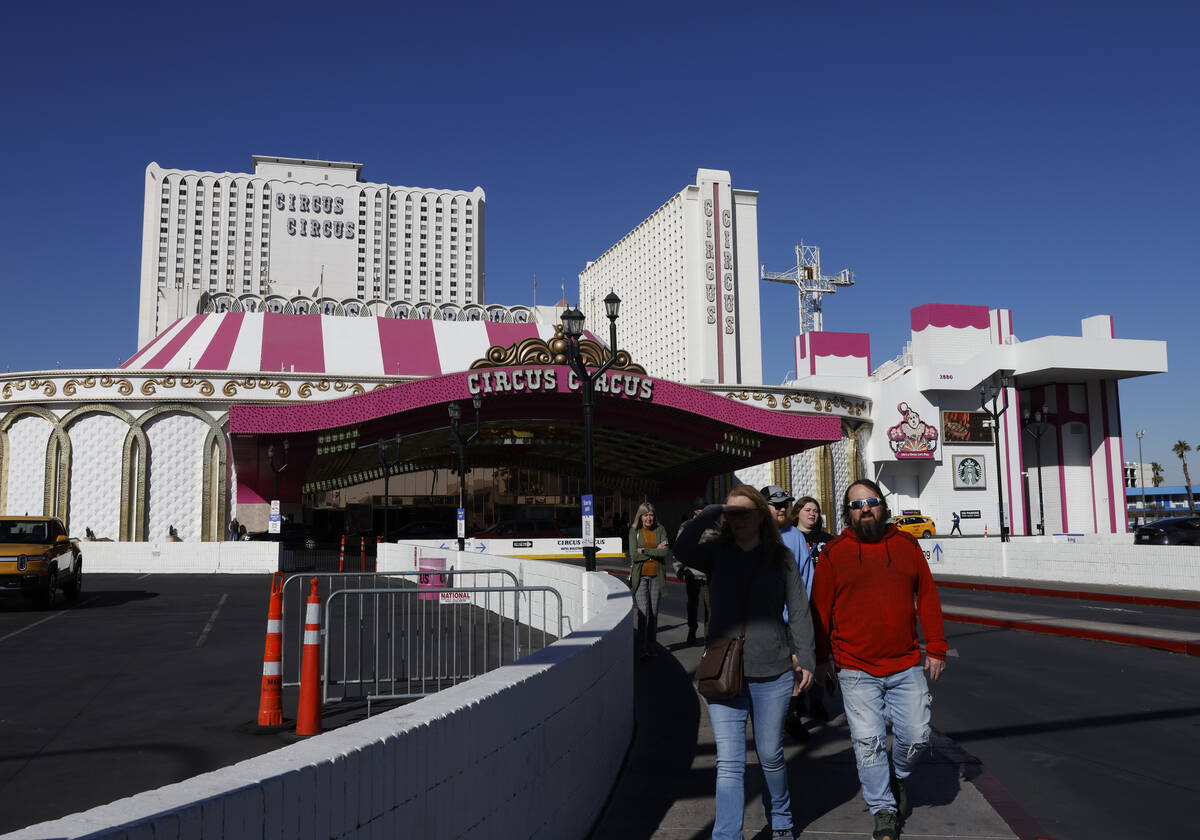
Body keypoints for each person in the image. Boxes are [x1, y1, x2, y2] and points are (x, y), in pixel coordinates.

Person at [810, 479, 947, 840]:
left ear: (883, 506)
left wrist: (935, 647)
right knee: (868, 742)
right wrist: (821, 659)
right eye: (857, 505)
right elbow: (818, 612)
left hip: (905, 663)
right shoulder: (834, 553)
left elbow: (928, 596)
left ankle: (898, 777)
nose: (865, 508)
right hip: (854, 667)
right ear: (847, 513)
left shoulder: (905, 544)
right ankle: (882, 809)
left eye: (871, 501)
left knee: (917, 736)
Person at [675, 486, 815, 840]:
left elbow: (799, 611)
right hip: (725, 672)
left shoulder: (780, 558)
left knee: (770, 755)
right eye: (731, 514)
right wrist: (711, 511)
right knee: (730, 764)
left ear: (760, 516)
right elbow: (681, 548)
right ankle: (727, 835)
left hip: (774, 672)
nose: (736, 520)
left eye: (744, 513)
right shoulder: (716, 554)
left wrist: (808, 658)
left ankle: (781, 820)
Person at [791, 495, 836, 724]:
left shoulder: (828, 541)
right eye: (807, 509)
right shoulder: (788, 537)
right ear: (797, 512)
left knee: (820, 655)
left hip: (822, 606)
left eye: (816, 510)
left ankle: (816, 700)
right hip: (796, 607)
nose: (812, 514)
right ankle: (796, 704)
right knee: (796, 656)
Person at [628, 502, 670, 660]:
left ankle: (651, 646)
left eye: (651, 514)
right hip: (641, 578)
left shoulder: (660, 529)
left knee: (653, 614)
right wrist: (654, 551)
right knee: (644, 613)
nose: (648, 518)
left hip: (656, 577)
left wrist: (645, 550)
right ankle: (641, 647)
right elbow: (634, 555)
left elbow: (665, 552)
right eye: (645, 515)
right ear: (640, 516)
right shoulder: (634, 531)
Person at [673, 497, 718, 645]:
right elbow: (678, 548)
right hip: (691, 573)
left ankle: (708, 637)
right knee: (692, 604)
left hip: (709, 574)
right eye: (701, 509)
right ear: (695, 511)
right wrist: (678, 568)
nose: (704, 511)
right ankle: (692, 630)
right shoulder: (687, 526)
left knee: (710, 606)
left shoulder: (716, 526)